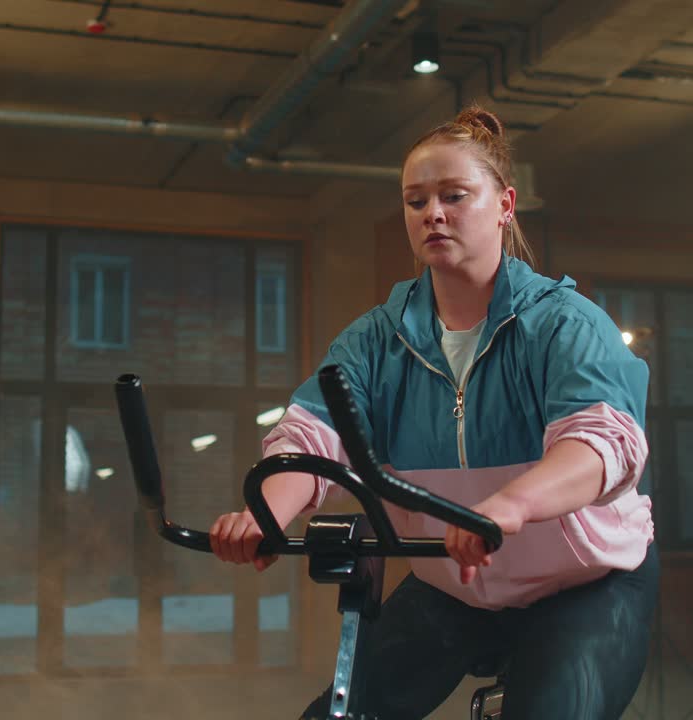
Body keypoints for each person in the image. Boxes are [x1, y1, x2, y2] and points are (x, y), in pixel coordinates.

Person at [209, 104, 658, 720]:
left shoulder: (563, 325)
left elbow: (601, 442)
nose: (433, 214)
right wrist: (268, 511)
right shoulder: (376, 340)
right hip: (456, 582)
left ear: (504, 204)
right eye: (415, 201)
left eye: (454, 195)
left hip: (583, 584)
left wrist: (510, 505)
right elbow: (312, 434)